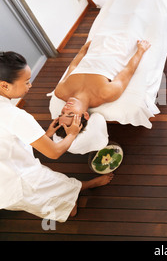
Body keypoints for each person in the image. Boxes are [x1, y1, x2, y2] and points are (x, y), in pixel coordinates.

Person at [0, 51, 113, 222]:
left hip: (11, 171)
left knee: (56, 181)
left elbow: (8, 139)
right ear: (5, 86)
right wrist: (72, 134)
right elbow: (53, 153)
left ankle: (84, 186)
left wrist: (45, 136)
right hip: (15, 183)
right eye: (26, 82)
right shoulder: (15, 116)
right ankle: (74, 201)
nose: (29, 86)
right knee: (64, 205)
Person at [53, 38, 151, 137]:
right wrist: (141, 50)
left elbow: (73, 67)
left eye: (62, 112)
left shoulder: (60, 91)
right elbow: (128, 70)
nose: (66, 108)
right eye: (70, 113)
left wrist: (83, 49)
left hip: (97, 43)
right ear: (86, 115)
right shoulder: (106, 94)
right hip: (118, 44)